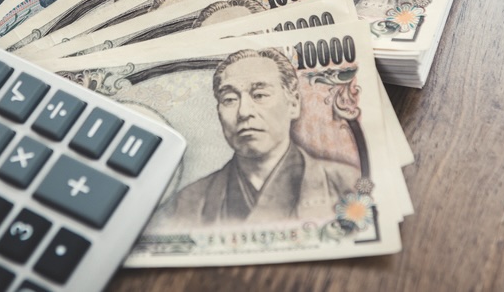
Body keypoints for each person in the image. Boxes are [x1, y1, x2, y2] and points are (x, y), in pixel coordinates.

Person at [153, 48, 358, 226]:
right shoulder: (185, 204)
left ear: (293, 103)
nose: (244, 111)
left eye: (260, 95)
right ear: (218, 112)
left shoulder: (348, 184)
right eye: (230, 99)